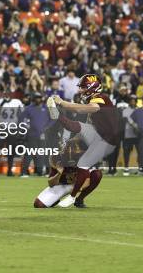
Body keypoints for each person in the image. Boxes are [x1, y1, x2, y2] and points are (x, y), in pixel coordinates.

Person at [47, 74, 120, 208]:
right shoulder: (96, 99)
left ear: (92, 87)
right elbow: (89, 121)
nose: (80, 91)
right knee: (79, 129)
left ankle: (73, 197)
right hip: (99, 135)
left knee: (84, 165)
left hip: (105, 139)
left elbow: (82, 108)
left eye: (83, 88)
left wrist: (62, 102)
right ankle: (76, 198)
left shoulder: (101, 98)